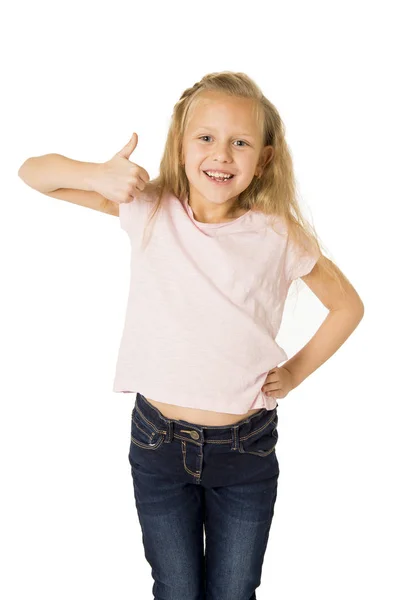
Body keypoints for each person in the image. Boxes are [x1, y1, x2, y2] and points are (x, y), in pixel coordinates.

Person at [18, 70, 364, 600]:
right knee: (175, 589)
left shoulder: (278, 233)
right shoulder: (150, 207)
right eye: (205, 138)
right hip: (157, 444)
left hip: (244, 453)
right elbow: (32, 173)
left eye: (240, 142)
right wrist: (97, 175)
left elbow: (347, 306)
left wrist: (294, 372)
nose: (221, 154)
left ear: (264, 159)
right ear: (181, 147)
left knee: (234, 590)